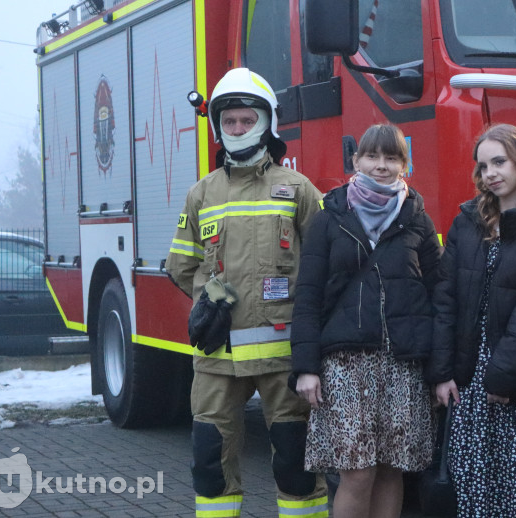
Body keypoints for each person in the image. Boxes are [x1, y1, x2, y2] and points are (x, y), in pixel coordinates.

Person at [165, 68, 329, 518]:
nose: (237, 129)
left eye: (246, 120)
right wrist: (208, 300)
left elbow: (323, 263)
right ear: (219, 127)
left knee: (295, 461)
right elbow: (181, 266)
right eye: (230, 122)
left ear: (266, 123)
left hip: (283, 356)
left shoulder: (296, 189)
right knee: (209, 459)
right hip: (217, 355)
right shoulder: (202, 194)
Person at [290, 124, 442, 518]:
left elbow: (440, 294)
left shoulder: (418, 219)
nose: (381, 166)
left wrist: (440, 367)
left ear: (404, 165)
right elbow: (307, 296)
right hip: (345, 366)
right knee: (356, 473)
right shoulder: (329, 218)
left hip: (402, 364)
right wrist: (306, 368)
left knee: (392, 470)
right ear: (355, 161)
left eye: (392, 158)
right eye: (372, 156)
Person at [429, 123, 516, 517]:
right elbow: (446, 301)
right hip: (470, 384)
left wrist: (502, 377)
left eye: (499, 161)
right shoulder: (466, 223)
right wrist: (442, 373)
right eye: (483, 165)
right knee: (476, 495)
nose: (490, 173)